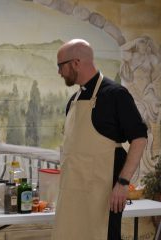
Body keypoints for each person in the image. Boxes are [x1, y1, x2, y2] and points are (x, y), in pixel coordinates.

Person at [52, 39, 147, 240]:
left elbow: (139, 139)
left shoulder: (115, 95)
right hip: (71, 195)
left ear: (76, 63)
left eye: (61, 65)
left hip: (103, 197)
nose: (59, 72)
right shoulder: (73, 101)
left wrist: (122, 183)